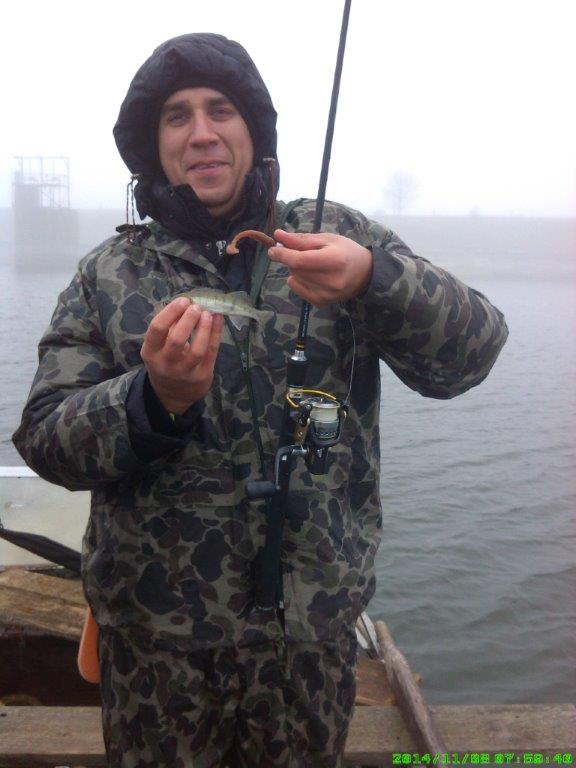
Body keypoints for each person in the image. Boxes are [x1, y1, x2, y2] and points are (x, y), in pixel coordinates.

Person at [13, 33, 508, 768]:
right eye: (177, 116)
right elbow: (45, 439)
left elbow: (471, 355)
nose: (201, 132)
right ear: (153, 146)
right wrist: (152, 401)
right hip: (156, 645)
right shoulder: (108, 273)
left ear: (254, 131)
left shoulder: (340, 238)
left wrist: (375, 279)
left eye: (221, 110)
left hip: (309, 638)